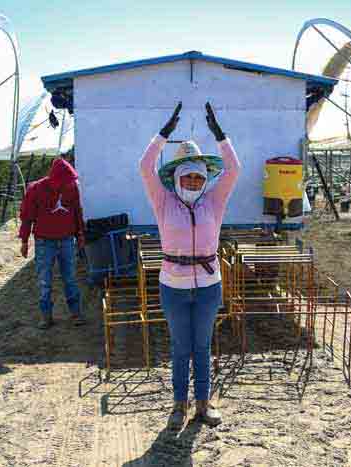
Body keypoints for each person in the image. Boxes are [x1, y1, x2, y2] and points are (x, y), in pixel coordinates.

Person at [139, 102, 240, 429]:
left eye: (199, 177)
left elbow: (234, 170)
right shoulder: (163, 201)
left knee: (203, 346)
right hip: (173, 287)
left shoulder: (215, 201)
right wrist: (163, 135)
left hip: (209, 287)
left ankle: (203, 403)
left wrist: (220, 135)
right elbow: (145, 167)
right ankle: (178, 406)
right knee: (181, 348)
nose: (195, 182)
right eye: (189, 176)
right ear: (179, 177)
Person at [19, 157, 87, 329]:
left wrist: (80, 235)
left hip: (66, 240)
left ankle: (76, 313)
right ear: (55, 178)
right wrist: (24, 241)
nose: (68, 184)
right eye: (65, 181)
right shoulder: (35, 190)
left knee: (70, 278)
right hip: (44, 242)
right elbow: (27, 217)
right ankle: (46, 316)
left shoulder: (71, 189)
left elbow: (77, 212)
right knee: (45, 281)